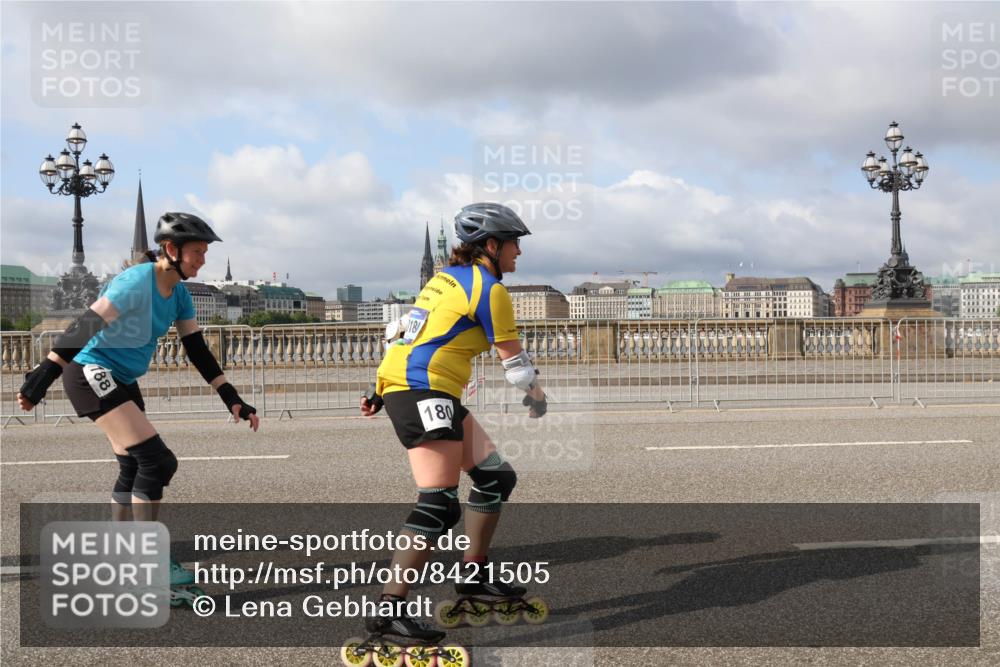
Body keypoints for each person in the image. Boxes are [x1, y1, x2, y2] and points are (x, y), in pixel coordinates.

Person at [18, 212, 260, 602]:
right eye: (197, 252)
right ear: (171, 250)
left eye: (204, 253)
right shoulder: (136, 281)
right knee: (157, 461)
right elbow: (85, 326)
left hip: (122, 379)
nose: (203, 260)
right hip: (90, 371)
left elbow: (196, 349)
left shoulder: (179, 293)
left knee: (133, 465)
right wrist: (41, 378)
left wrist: (230, 396)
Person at [359, 202, 547, 645]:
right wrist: (537, 397)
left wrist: (378, 391)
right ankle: (388, 612)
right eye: (515, 242)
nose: (519, 252)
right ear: (492, 245)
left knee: (495, 478)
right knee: (438, 504)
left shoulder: (442, 280)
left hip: (417, 386)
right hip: (425, 391)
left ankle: (473, 577)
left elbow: (406, 335)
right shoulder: (490, 289)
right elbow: (515, 362)